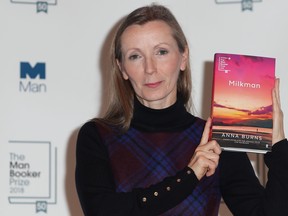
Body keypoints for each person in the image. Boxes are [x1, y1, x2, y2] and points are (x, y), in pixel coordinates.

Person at [75, 4, 288, 216]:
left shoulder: (217, 139)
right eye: (135, 56)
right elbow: (102, 210)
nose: (150, 69)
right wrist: (190, 175)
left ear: (183, 57)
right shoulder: (97, 136)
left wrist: (278, 146)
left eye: (161, 52)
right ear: (122, 68)